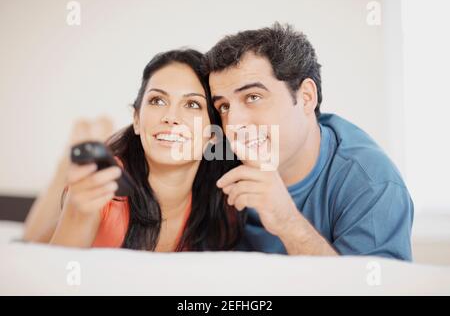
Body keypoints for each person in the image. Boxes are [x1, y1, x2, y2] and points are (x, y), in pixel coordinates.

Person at [205, 23, 414, 260]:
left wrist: (288, 222)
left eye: (253, 97)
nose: (233, 123)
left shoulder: (372, 183)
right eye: (223, 106)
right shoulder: (216, 160)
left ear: (306, 97)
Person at [26, 49, 244, 251]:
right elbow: (56, 271)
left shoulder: (223, 201)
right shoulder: (105, 189)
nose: (171, 117)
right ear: (137, 120)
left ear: (214, 134)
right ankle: (66, 163)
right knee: (30, 242)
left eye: (192, 105)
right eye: (157, 100)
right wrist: (78, 210)